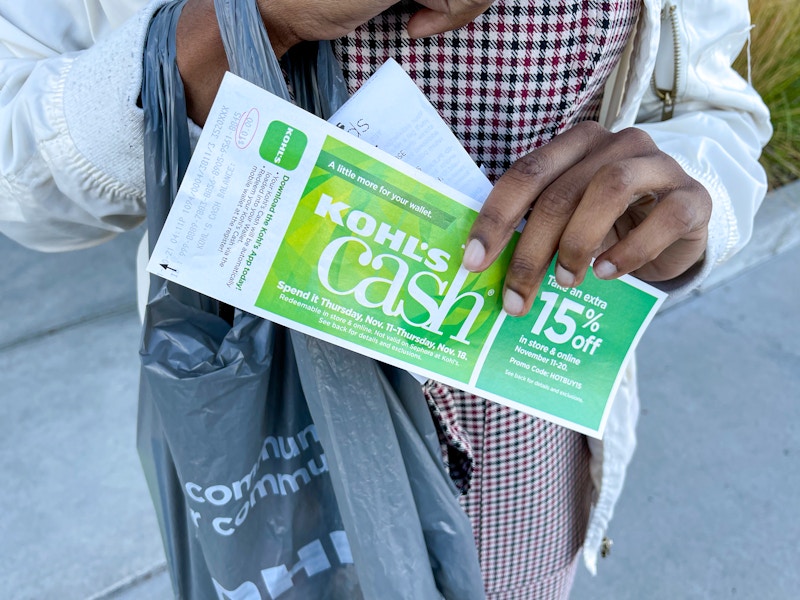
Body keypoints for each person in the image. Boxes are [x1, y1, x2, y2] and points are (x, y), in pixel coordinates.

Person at [0, 0, 771, 597]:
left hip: (528, 429)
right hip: (274, 426)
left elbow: (717, 107)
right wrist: (258, 18)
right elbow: (24, 182)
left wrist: (685, 203)